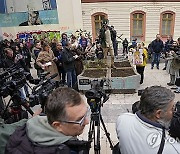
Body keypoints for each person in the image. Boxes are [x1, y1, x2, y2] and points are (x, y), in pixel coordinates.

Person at [5, 87, 90, 153]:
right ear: (57, 125)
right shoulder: (63, 151)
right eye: (80, 120)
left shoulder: (24, 129)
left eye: (86, 114)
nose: (87, 121)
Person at [116, 86, 180, 154]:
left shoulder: (122, 120)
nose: (174, 112)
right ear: (158, 113)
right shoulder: (173, 148)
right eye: (172, 109)